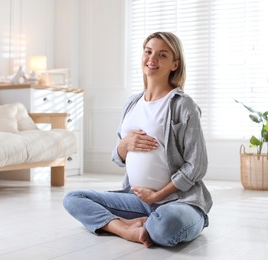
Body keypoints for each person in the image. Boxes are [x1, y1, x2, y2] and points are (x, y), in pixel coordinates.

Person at [63, 31, 213, 248]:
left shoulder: (182, 104)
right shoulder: (132, 103)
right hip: (137, 200)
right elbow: (118, 156)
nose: (152, 59)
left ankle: (138, 224)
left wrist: (157, 195)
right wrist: (125, 145)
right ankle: (125, 229)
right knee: (73, 198)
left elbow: (197, 166)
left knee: (166, 227)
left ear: (175, 64)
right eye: (148, 52)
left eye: (162, 55)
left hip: (178, 202)